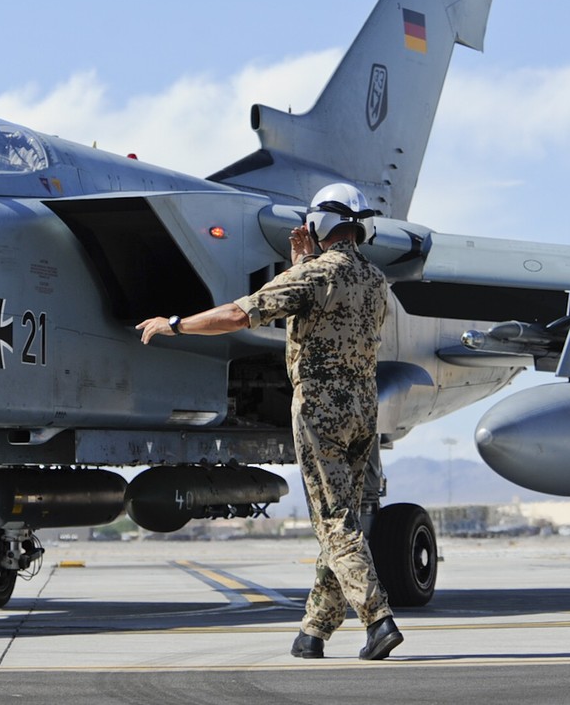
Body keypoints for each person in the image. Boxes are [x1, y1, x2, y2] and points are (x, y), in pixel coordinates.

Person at [136, 182, 402, 661]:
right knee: (338, 517)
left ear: (320, 223)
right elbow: (330, 313)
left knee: (334, 518)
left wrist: (174, 324)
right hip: (363, 407)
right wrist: (303, 265)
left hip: (320, 406)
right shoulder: (376, 280)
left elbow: (239, 314)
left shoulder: (316, 274)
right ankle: (314, 630)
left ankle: (378, 619)